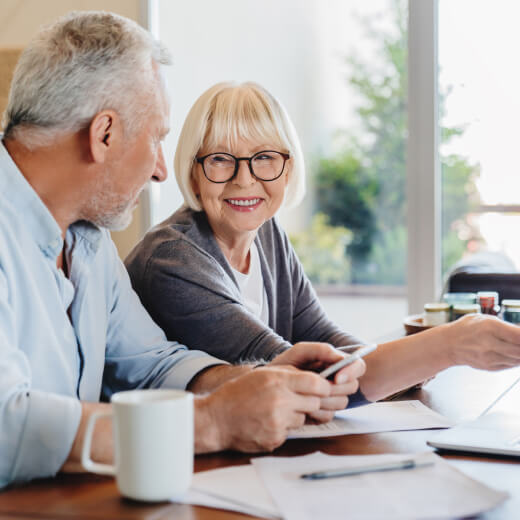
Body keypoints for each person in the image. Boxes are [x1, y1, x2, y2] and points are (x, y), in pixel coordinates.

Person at [0, 13, 366, 489]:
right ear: (104, 134)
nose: (159, 170)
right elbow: (7, 425)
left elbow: (150, 362)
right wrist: (210, 423)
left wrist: (256, 380)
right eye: (156, 139)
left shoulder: (89, 241)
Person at [126, 80, 520, 404]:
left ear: (287, 168)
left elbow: (324, 337)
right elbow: (298, 378)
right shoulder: (173, 260)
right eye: (219, 159)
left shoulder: (266, 234)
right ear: (193, 173)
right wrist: (450, 344)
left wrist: (403, 366)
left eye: (264, 158)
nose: (244, 180)